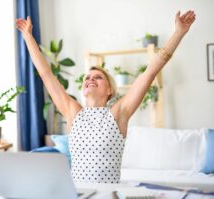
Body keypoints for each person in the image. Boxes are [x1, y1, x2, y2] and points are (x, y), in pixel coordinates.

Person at [15, 10, 196, 183]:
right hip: (78, 193)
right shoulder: (73, 112)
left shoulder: (118, 113)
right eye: (87, 78)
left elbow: (149, 73)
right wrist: (28, 37)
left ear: (110, 89)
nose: (90, 79)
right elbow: (46, 74)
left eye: (98, 77)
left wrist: (178, 33)